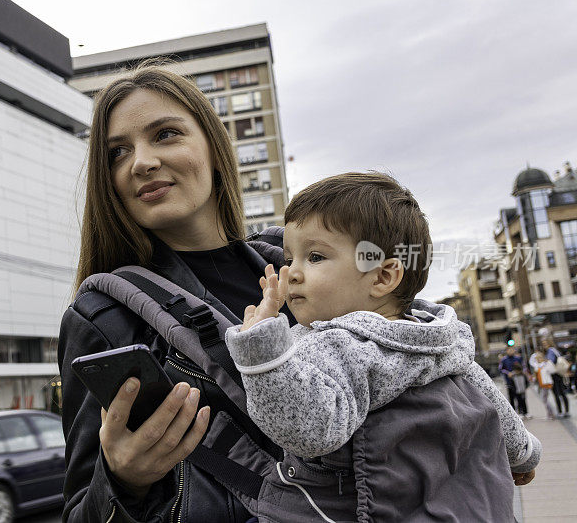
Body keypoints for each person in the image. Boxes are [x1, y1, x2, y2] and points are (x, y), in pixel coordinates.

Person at [58, 65, 523, 523]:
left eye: (165, 134)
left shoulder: (311, 264)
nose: (140, 162)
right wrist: (122, 481)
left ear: (215, 148)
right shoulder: (102, 316)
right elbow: (82, 510)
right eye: (118, 152)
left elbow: (421, 350)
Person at [225, 174, 540, 474]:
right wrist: (524, 455)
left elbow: (307, 432)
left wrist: (262, 348)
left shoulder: (340, 344)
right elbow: (490, 400)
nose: (291, 272)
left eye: (316, 257)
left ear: (382, 277)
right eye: (290, 258)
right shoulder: (439, 338)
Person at [500, 345, 531, 417]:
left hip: (519, 381)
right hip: (510, 382)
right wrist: (508, 373)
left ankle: (525, 412)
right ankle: (515, 414)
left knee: (522, 396)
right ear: (506, 351)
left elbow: (524, 367)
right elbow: (501, 369)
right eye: (509, 350)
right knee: (512, 397)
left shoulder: (519, 358)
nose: (511, 351)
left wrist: (520, 372)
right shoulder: (504, 360)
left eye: (512, 350)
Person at [545, 340, 571, 417]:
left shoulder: (550, 350)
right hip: (560, 374)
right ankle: (566, 411)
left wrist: (546, 362)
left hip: (555, 375)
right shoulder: (556, 350)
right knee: (563, 393)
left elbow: (551, 361)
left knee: (557, 394)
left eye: (545, 343)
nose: (544, 345)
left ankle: (560, 412)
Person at [530, 349, 557, 420]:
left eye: (539, 358)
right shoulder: (537, 366)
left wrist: (548, 364)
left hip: (547, 384)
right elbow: (531, 362)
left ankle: (551, 414)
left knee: (545, 399)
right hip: (541, 384)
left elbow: (553, 371)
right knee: (545, 399)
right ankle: (550, 414)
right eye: (537, 358)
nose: (538, 360)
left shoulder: (546, 364)